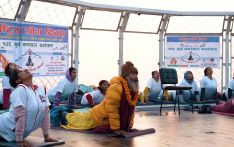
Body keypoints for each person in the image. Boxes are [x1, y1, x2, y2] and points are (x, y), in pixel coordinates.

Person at [60, 61, 139, 131]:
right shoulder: (116, 87)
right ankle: (64, 114)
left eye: (136, 74)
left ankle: (68, 114)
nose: (135, 77)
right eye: (132, 74)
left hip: (106, 118)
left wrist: (129, 126)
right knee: (80, 121)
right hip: (98, 116)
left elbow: (131, 109)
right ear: (126, 76)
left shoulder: (132, 91)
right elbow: (112, 109)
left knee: (82, 117)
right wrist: (116, 128)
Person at [0, 68, 57, 146]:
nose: (26, 69)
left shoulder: (41, 89)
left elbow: (45, 113)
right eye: (20, 71)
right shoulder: (20, 90)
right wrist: (19, 140)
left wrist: (46, 136)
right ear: (17, 81)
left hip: (18, 133)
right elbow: (20, 116)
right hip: (3, 128)